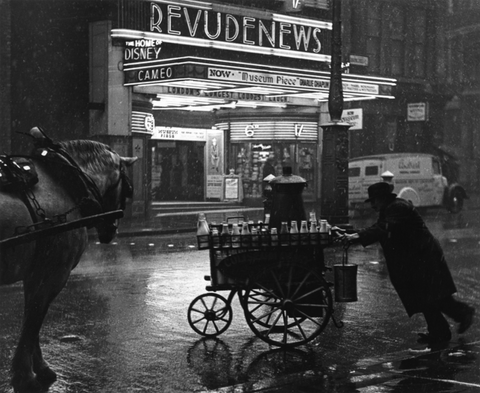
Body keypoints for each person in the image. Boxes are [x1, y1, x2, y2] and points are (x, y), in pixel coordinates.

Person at [344, 182, 475, 348]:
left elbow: (384, 228)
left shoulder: (397, 208)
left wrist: (357, 236)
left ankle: (459, 316)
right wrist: (357, 234)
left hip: (424, 257)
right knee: (427, 296)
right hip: (418, 257)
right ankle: (442, 329)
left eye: (374, 200)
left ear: (382, 198)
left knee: (432, 296)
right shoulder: (390, 208)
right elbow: (380, 227)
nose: (373, 205)